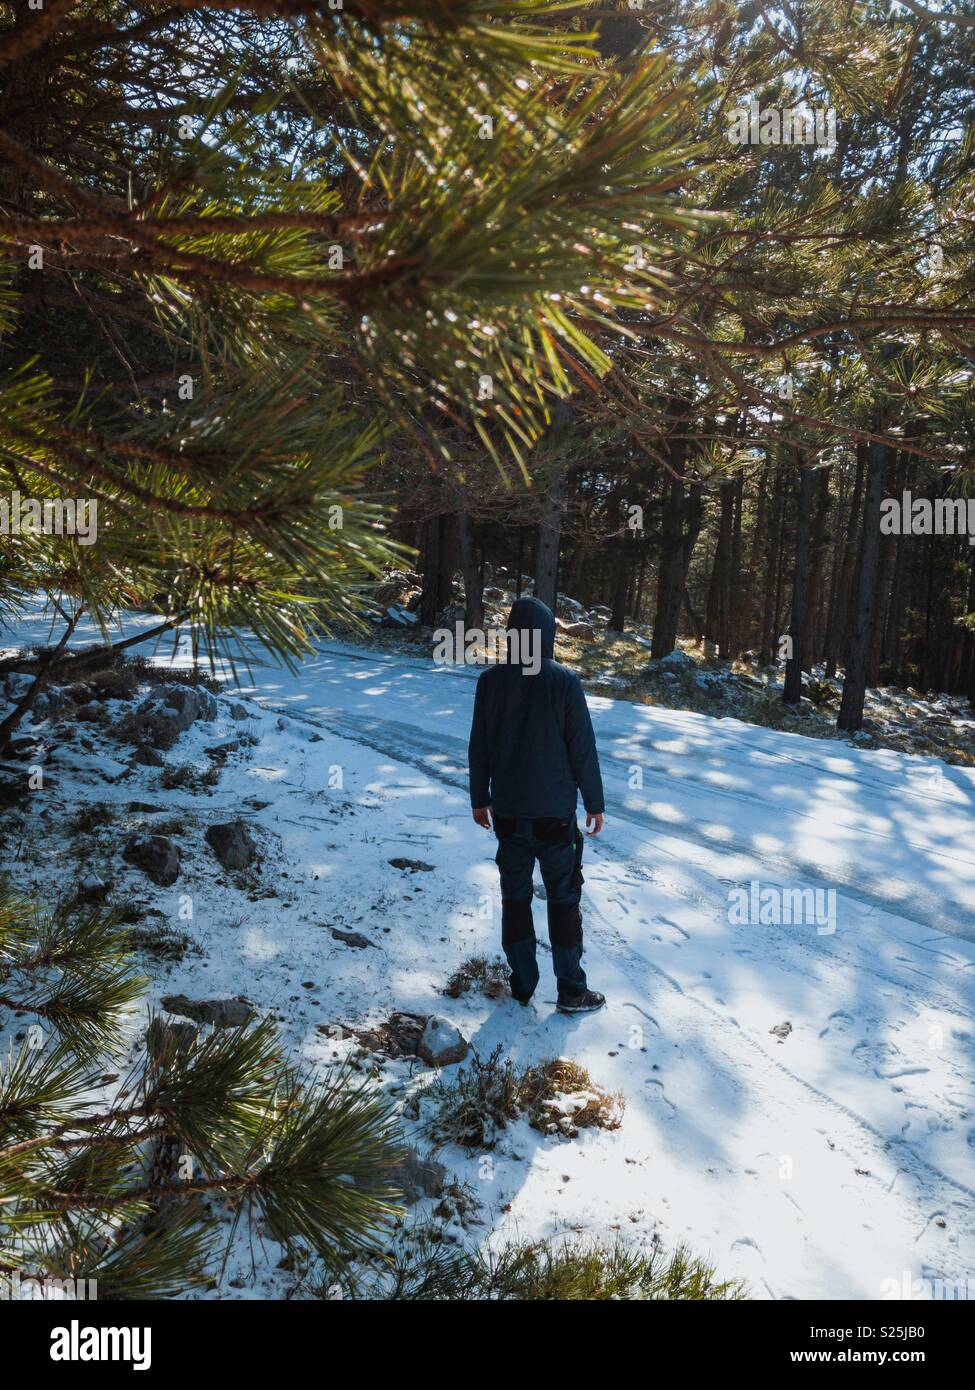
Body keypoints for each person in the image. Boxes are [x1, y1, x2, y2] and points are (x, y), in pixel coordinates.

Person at [468, 595, 606, 1013]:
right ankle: (570, 990)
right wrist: (594, 802)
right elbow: (582, 749)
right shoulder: (564, 681)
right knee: (564, 898)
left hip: (508, 815)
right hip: (554, 818)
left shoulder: (490, 682)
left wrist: (479, 798)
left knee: (515, 897)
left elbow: (480, 748)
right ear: (546, 635)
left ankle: (523, 984)